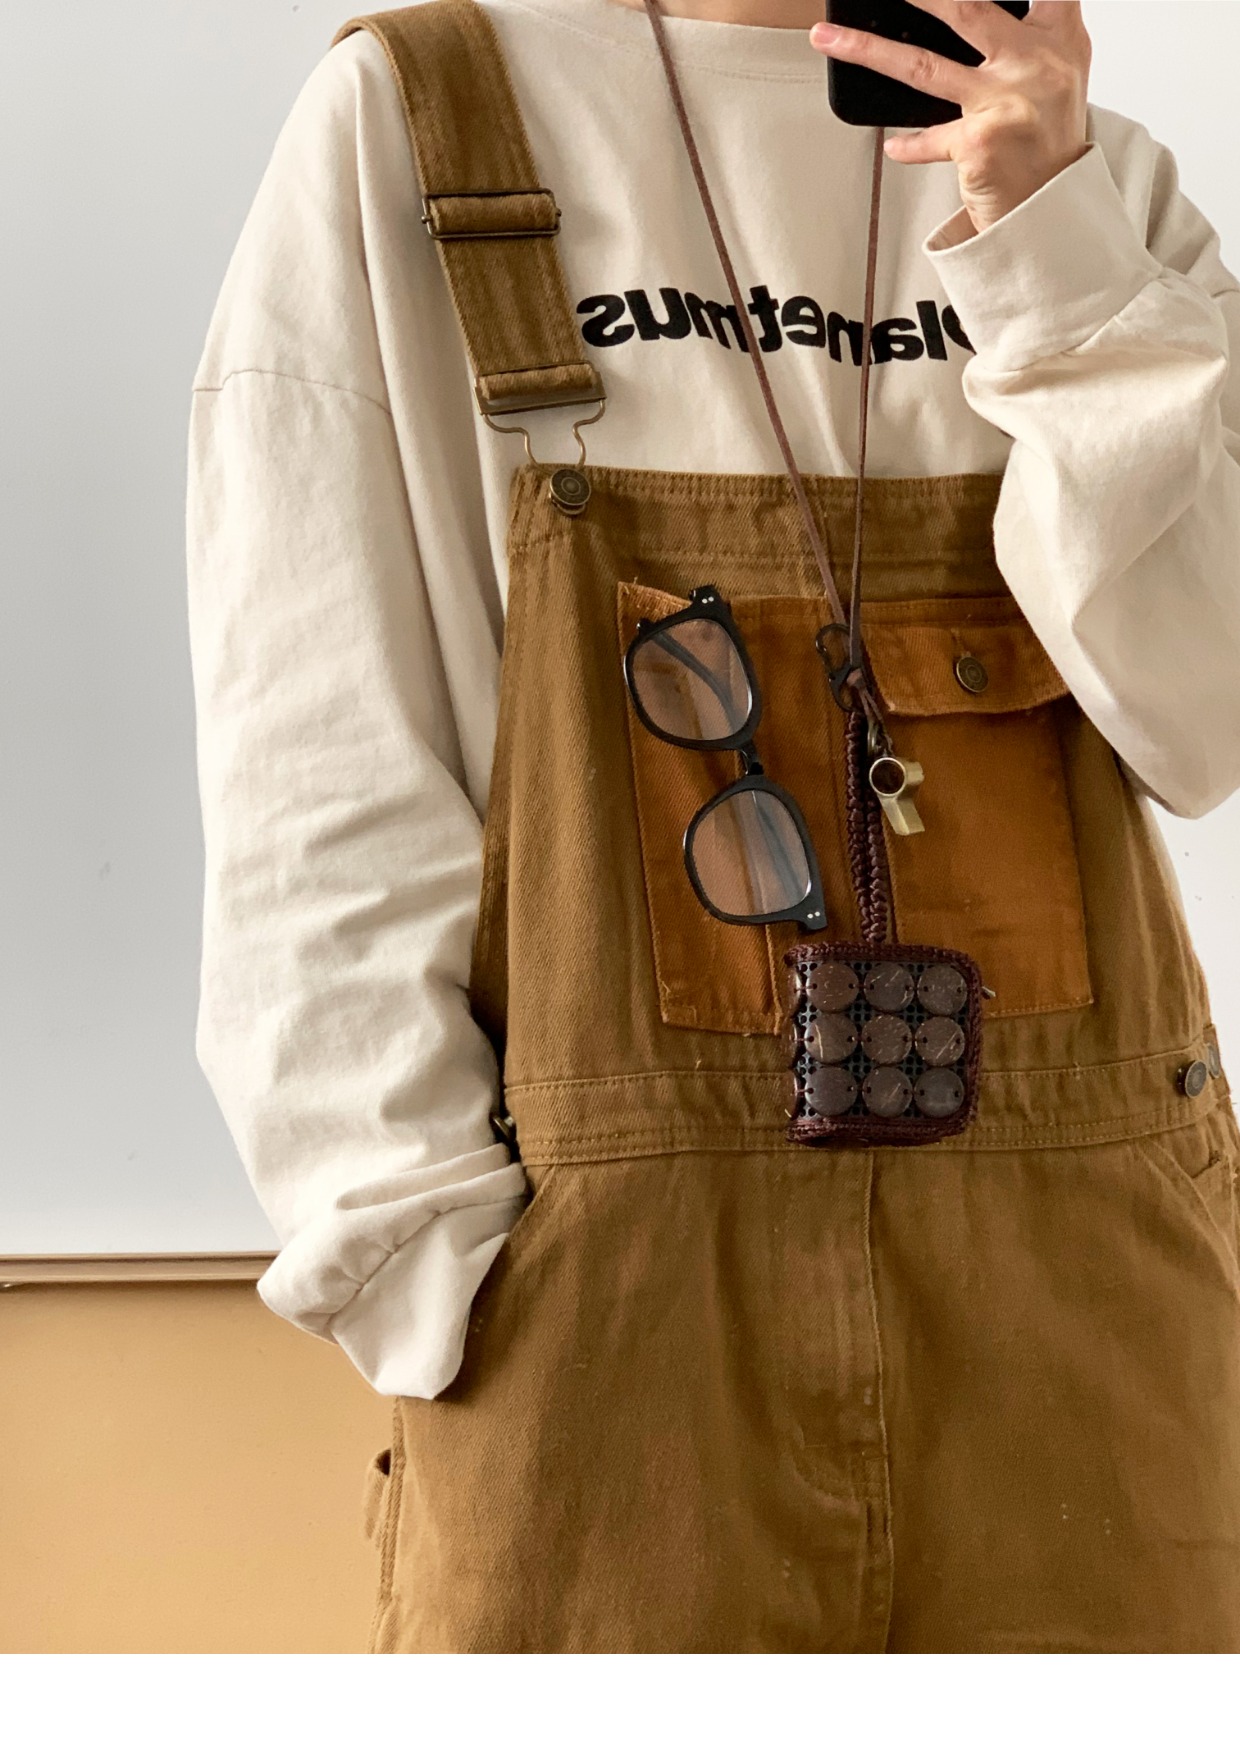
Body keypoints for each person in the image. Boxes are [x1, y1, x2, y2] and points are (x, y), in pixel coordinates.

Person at [186, 0, 1240, 1652]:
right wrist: (439, 1265)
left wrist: (1052, 246)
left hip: (1091, 1303)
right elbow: (316, 746)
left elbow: (1205, 712)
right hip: (613, 1327)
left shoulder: (1100, 187)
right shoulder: (424, 120)